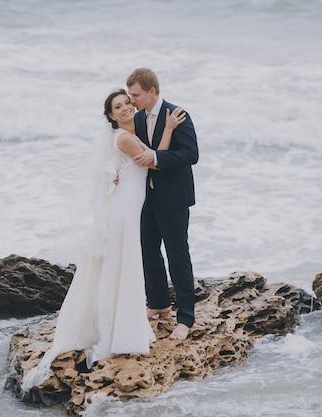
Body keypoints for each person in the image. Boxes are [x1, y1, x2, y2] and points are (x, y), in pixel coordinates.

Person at [20, 89, 186, 393]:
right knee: (122, 267)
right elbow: (154, 162)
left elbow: (147, 155)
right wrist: (171, 129)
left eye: (126, 103)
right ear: (110, 115)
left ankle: (123, 323)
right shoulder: (123, 137)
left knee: (122, 266)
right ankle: (116, 333)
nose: (124, 108)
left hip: (126, 207)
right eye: (117, 107)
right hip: (123, 211)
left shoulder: (127, 133)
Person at [126, 68, 199, 340]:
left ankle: (186, 318)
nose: (132, 100)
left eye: (136, 95)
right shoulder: (137, 118)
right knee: (148, 251)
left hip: (174, 198)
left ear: (152, 91)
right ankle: (158, 303)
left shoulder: (177, 115)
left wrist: (156, 159)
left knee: (177, 256)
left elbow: (191, 154)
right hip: (146, 197)